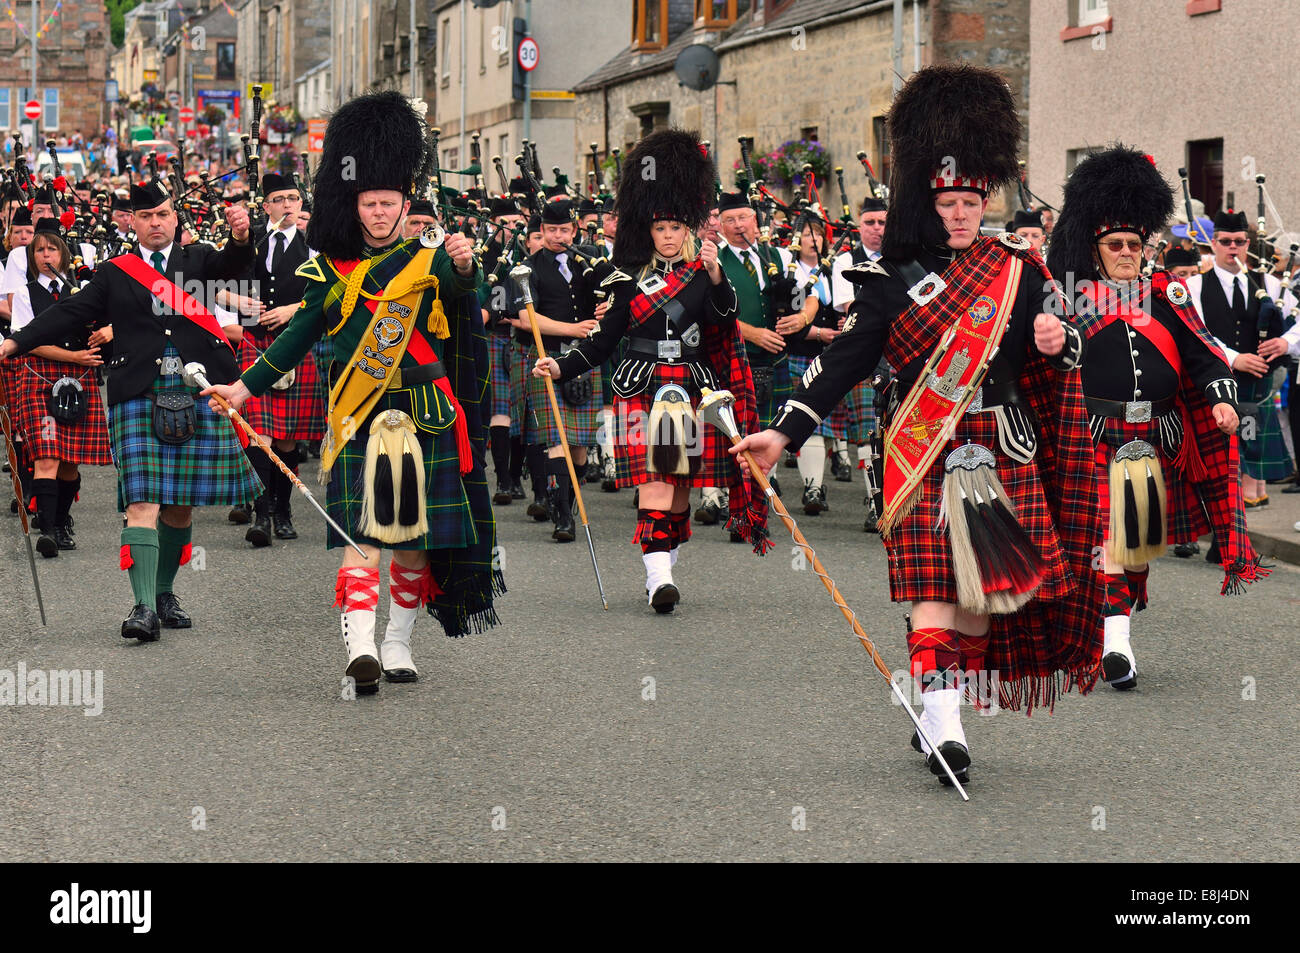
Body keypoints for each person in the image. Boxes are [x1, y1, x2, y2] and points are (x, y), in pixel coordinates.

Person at [732, 65, 1103, 786]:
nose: (960, 214)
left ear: (984, 200)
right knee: (932, 588)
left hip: (1003, 445)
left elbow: (1057, 344)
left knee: (977, 600)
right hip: (921, 445)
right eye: (948, 202)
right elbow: (842, 360)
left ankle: (939, 709)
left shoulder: (1019, 271)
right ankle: (947, 724)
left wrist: (1061, 340)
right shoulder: (889, 279)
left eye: (970, 201)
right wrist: (782, 431)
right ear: (925, 203)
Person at [202, 90, 501, 693]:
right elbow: (295, 338)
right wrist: (243, 388)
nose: (380, 214)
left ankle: (397, 642)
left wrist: (468, 267)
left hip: (427, 412)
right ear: (354, 205)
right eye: (370, 204)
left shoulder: (434, 259)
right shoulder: (331, 271)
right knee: (362, 535)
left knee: (412, 545)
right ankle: (361, 645)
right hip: (358, 413)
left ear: (404, 203)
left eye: (389, 203)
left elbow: (469, 299)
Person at [0, 180, 259, 641]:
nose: (155, 223)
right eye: (146, 216)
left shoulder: (199, 261)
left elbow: (236, 265)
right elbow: (72, 312)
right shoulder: (115, 272)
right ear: (133, 223)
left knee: (179, 507)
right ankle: (142, 608)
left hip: (197, 388)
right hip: (137, 391)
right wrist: (17, 341)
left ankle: (163, 593)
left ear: (175, 218)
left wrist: (241, 236)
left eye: (163, 214)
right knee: (141, 501)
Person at [1046, 146, 1258, 690]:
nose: (1125, 253)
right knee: (1107, 533)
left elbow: (1203, 353)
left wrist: (1220, 396)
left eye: (1133, 244)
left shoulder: (1168, 294)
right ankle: (1117, 644)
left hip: (1157, 434)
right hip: (1095, 431)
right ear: (1094, 247)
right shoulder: (1068, 299)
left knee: (1138, 541)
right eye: (1114, 244)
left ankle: (1116, 621)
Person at [533, 128, 767, 610]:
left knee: (680, 492)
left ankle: (662, 569)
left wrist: (718, 274)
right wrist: (561, 366)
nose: (666, 237)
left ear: (688, 232)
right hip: (642, 388)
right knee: (658, 483)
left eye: (675, 229)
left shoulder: (706, 278)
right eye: (659, 230)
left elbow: (724, 322)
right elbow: (604, 341)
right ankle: (659, 578)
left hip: (693, 386)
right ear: (649, 232)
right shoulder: (626, 281)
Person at [221, 172, 322, 545]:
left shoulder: (314, 246)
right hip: (256, 343)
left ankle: (283, 509)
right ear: (265, 207)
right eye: (279, 199)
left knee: (287, 442)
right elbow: (217, 289)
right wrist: (239, 302)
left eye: (293, 198)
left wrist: (293, 310)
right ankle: (261, 515)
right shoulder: (250, 245)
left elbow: (330, 294)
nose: (287, 205)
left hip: (296, 347)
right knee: (259, 437)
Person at [7, 218, 113, 556]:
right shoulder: (25, 292)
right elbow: (27, 341)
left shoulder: (81, 292)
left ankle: (62, 519)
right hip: (40, 377)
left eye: (52, 248)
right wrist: (75, 356)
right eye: (39, 250)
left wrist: (103, 333)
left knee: (70, 464)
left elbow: (109, 324)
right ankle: (48, 530)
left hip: (78, 381)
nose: (46, 254)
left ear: (64, 254)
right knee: (47, 457)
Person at [1185, 210, 1290, 508]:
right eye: (1226, 241)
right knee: (1227, 444)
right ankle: (1229, 503)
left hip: (1258, 381)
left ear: (1247, 244)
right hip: (1218, 380)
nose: (1233, 247)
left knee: (1252, 434)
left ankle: (1254, 490)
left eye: (1240, 241)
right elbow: (1197, 331)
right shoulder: (1195, 286)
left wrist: (1284, 343)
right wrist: (1233, 358)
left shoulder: (1268, 283)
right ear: (1214, 243)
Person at [516, 199, 601, 542]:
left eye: (564, 230)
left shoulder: (590, 261)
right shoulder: (528, 267)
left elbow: (614, 294)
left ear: (575, 229)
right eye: (550, 230)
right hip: (547, 358)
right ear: (541, 231)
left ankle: (564, 496)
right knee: (557, 441)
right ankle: (564, 518)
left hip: (585, 359)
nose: (557, 236)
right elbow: (526, 318)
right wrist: (573, 329)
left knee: (579, 446)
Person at [831, 194, 890, 530]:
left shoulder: (902, 259)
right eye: (870, 222)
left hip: (897, 353)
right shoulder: (845, 261)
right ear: (859, 227)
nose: (876, 229)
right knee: (869, 429)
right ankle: (874, 501)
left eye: (882, 222)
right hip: (866, 350)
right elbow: (851, 307)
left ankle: (892, 500)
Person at [781, 214, 841, 514]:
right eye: (806, 234)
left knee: (820, 422)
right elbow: (781, 317)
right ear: (797, 239)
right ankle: (804, 484)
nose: (812, 240)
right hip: (792, 352)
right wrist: (816, 331)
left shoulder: (833, 272)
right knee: (792, 418)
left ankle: (815, 487)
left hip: (824, 356)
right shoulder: (785, 268)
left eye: (817, 235)